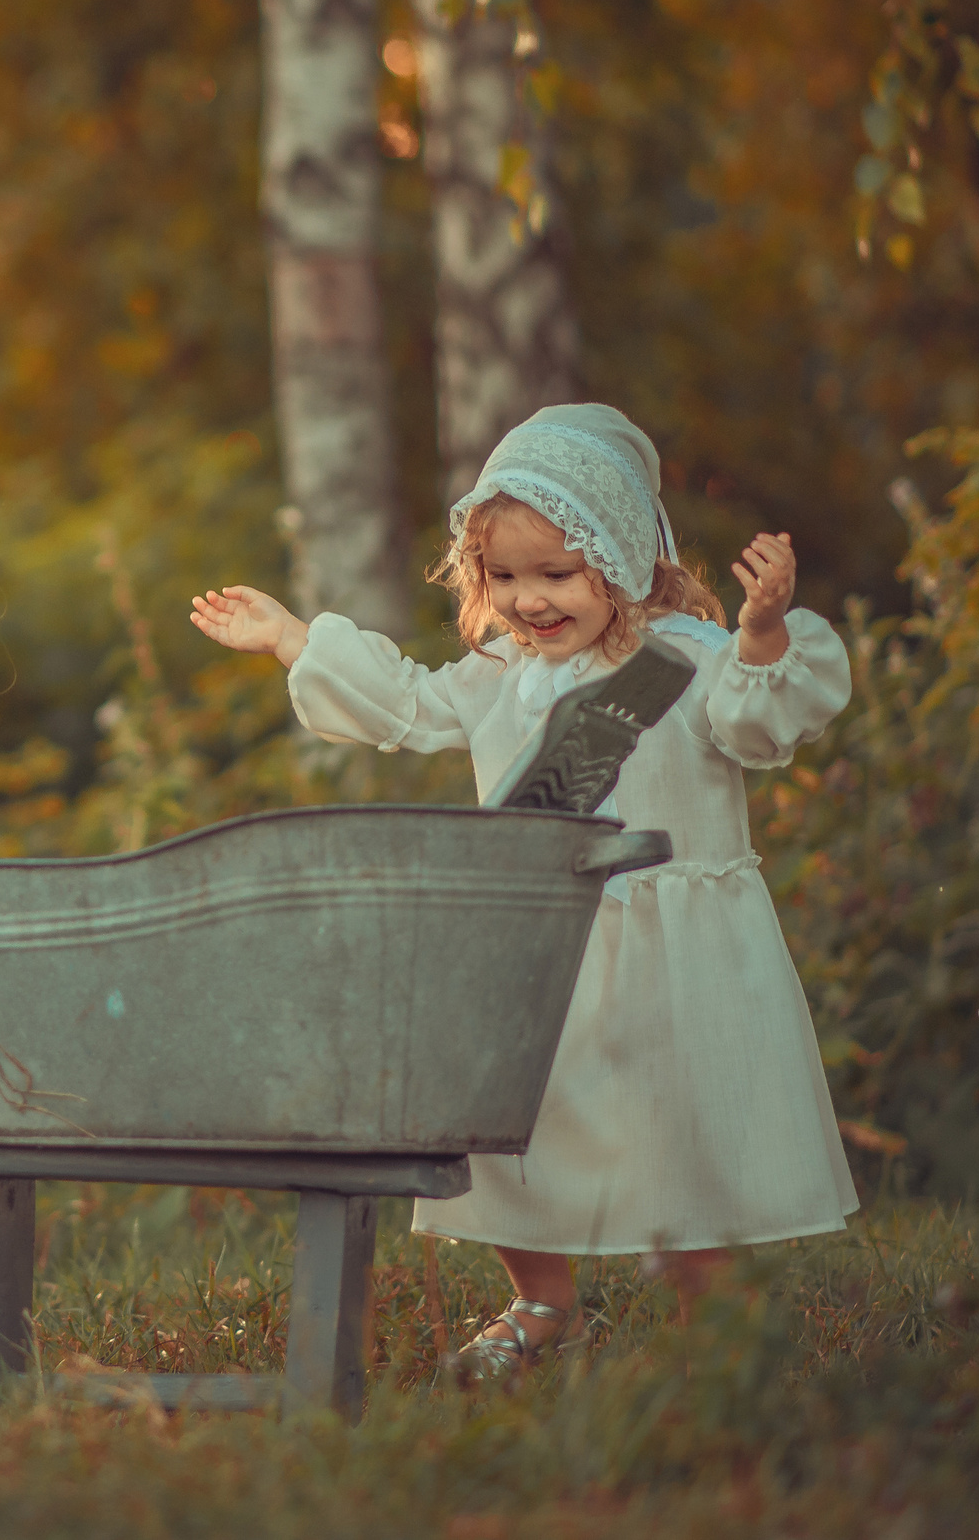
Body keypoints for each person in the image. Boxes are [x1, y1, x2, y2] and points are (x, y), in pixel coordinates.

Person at [187, 402, 857, 1382]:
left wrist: (759, 634)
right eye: (502, 576)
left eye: (556, 572)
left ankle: (712, 1319)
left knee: (688, 1133)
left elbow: (758, 726)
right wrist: (295, 638)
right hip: (541, 951)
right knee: (508, 1128)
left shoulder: (687, 660)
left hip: (676, 955)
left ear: (622, 556)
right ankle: (541, 1300)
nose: (528, 599)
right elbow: (409, 703)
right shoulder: (503, 672)